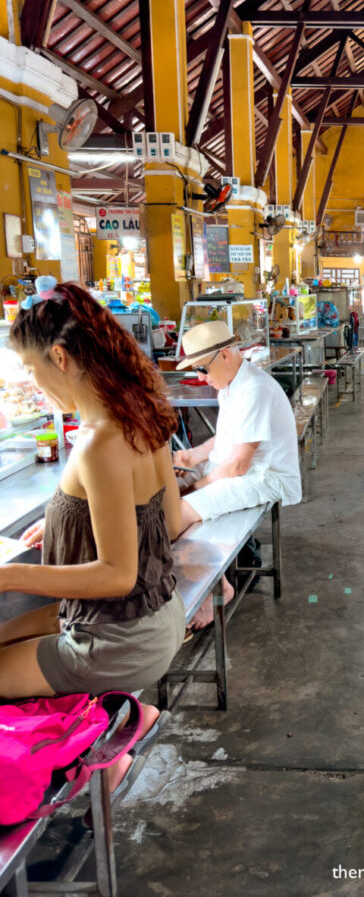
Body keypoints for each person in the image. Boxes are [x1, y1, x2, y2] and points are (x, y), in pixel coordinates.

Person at [0, 279, 184, 787]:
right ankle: (116, 718)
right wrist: (65, 522)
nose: (32, 383)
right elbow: (167, 519)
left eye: (30, 370)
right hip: (158, 616)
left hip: (118, 639)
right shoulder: (140, 414)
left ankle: (98, 741)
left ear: (59, 358)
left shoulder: (98, 442)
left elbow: (118, 575)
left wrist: (9, 577)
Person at [173, 321, 301, 628]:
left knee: (175, 513)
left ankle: (214, 587)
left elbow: (239, 465)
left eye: (203, 369)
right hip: (242, 468)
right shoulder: (231, 385)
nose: (202, 378)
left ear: (225, 356)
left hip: (263, 477)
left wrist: (196, 487)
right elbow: (226, 440)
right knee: (165, 491)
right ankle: (201, 579)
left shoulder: (253, 388)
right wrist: (193, 456)